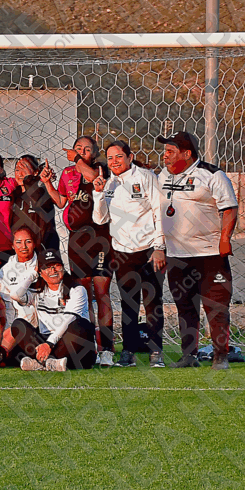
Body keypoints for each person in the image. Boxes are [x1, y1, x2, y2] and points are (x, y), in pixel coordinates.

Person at [157, 132, 239, 370]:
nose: (166, 157)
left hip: (210, 255)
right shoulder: (161, 175)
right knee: (185, 307)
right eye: (165, 152)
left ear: (187, 154)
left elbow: (230, 209)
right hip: (176, 255)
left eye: (170, 152)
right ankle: (189, 356)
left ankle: (221, 355)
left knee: (216, 307)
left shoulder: (212, 175)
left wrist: (225, 240)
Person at [42, 136, 115, 366]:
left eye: (86, 150)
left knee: (102, 292)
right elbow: (62, 201)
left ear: (94, 155)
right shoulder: (67, 173)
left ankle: (108, 349)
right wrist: (47, 184)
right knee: (83, 295)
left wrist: (76, 159)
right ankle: (90, 345)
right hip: (76, 241)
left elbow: (92, 178)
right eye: (77, 149)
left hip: (100, 238)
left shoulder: (100, 169)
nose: (81, 152)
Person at [93, 140, 166, 368]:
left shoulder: (146, 177)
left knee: (152, 302)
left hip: (148, 251)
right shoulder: (109, 184)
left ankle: (156, 351)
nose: (114, 161)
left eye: (119, 157)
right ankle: (129, 352)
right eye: (110, 158)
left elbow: (159, 212)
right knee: (128, 304)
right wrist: (98, 194)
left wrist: (159, 247)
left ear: (130, 157)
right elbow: (100, 219)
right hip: (122, 252)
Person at [0, 249, 97, 371]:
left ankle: (41, 363)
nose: (53, 271)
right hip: (46, 342)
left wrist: (49, 344)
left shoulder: (77, 289)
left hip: (69, 344)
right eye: (47, 267)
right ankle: (52, 363)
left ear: (63, 268)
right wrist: (32, 274)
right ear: (40, 272)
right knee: (18, 324)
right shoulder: (37, 291)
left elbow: (68, 319)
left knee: (79, 325)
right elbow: (15, 295)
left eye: (57, 266)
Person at [0, 227, 41, 334]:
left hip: (46, 323)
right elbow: (8, 305)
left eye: (28, 242)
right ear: (12, 245)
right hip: (20, 326)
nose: (24, 246)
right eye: (18, 242)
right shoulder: (6, 270)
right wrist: (9, 330)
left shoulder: (44, 264)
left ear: (34, 244)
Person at [12, 154, 59, 251]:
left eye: (24, 169)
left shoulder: (42, 191)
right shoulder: (14, 194)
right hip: (21, 251)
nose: (20, 174)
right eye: (17, 170)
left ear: (36, 171)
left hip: (43, 250)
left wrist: (34, 179)